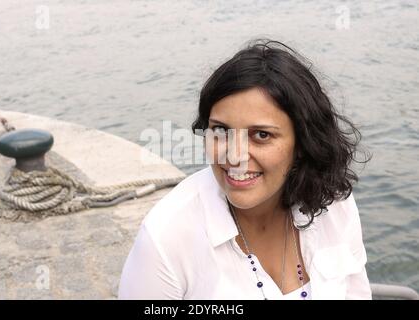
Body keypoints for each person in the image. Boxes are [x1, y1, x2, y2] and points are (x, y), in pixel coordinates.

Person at [118, 39, 372, 300]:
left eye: (261, 135)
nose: (235, 156)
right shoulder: (167, 238)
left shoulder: (334, 203)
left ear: (302, 143)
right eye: (221, 130)